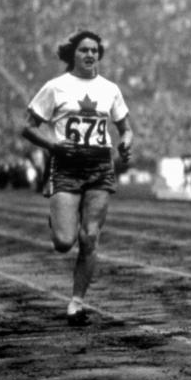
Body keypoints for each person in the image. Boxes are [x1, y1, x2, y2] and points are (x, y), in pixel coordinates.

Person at [22, 30, 133, 327]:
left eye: (94, 51)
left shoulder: (110, 89)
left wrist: (126, 141)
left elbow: (126, 127)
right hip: (66, 166)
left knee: (90, 236)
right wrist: (53, 144)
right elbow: (28, 126)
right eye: (84, 50)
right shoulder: (56, 87)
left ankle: (77, 302)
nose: (90, 55)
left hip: (99, 165)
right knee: (63, 241)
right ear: (73, 54)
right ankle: (58, 219)